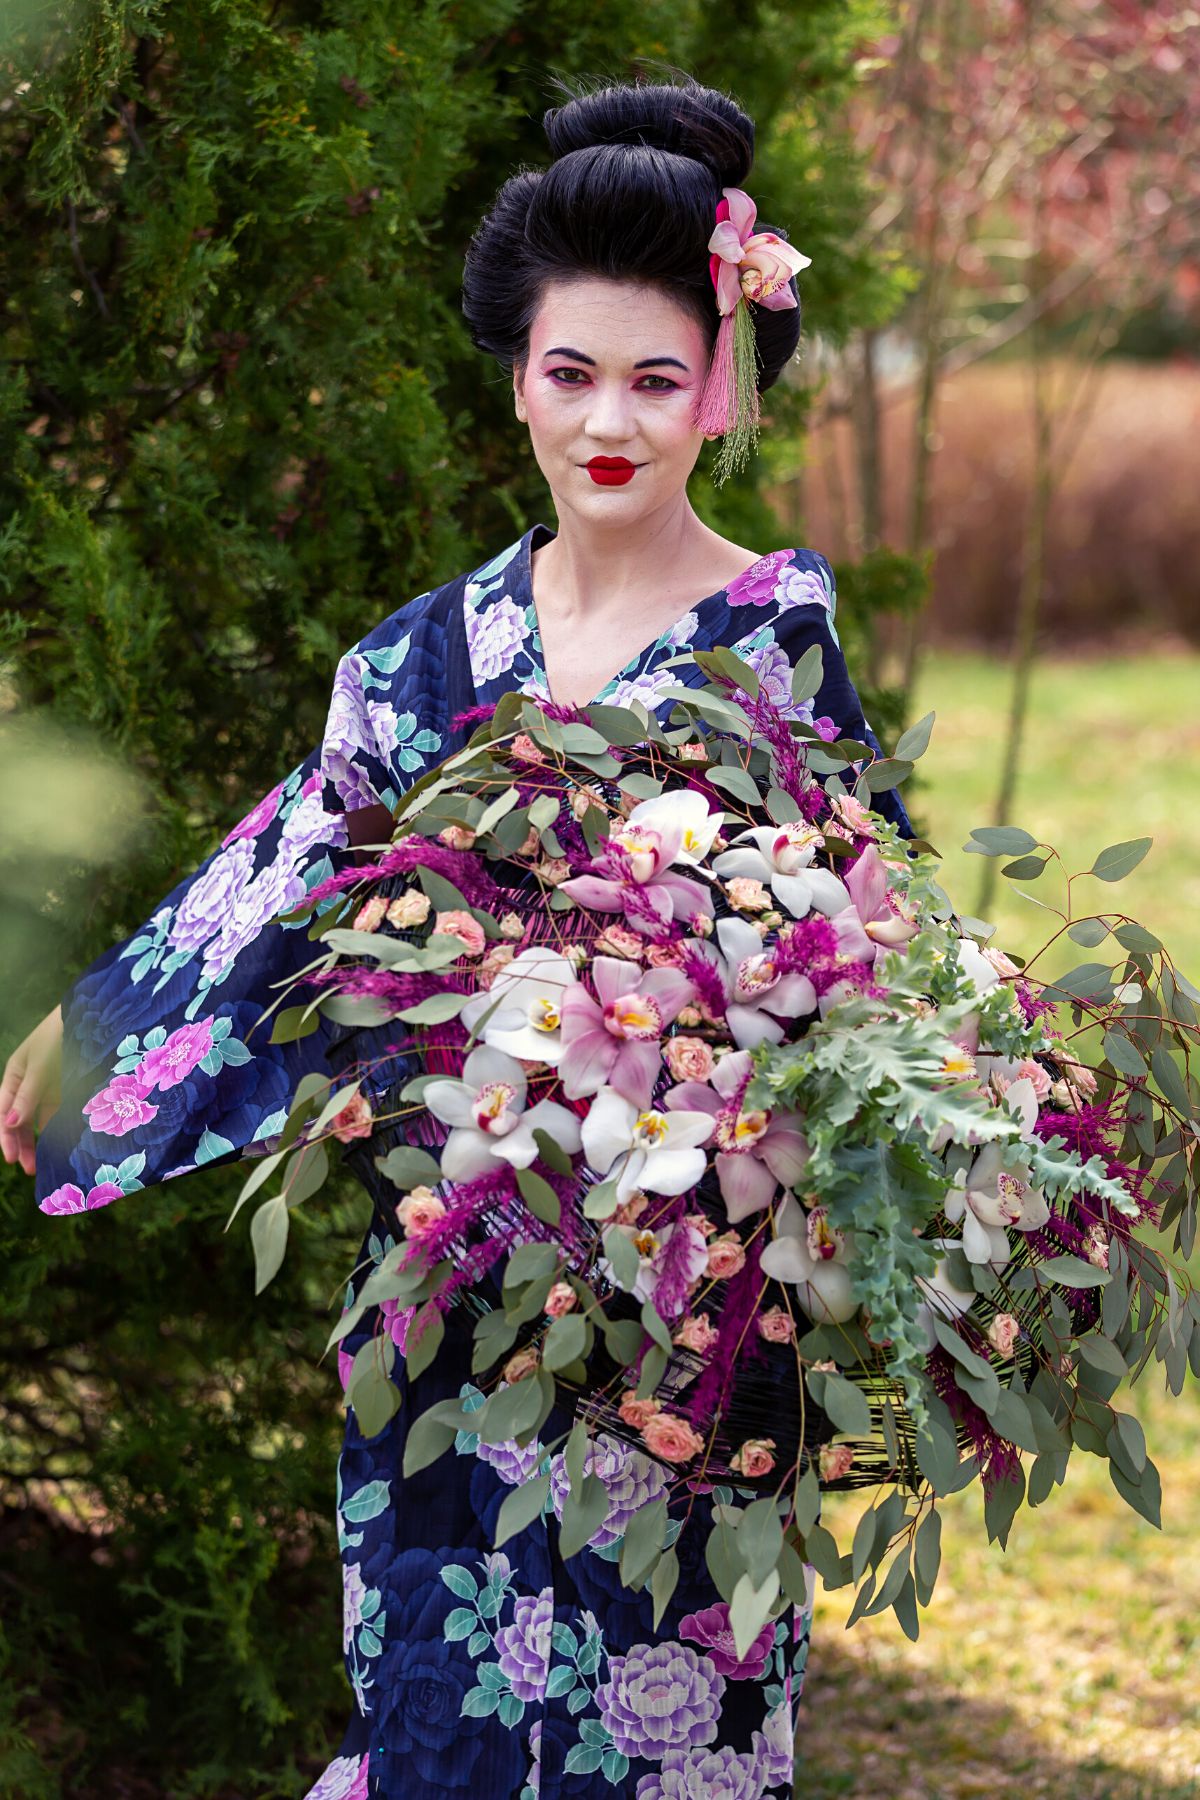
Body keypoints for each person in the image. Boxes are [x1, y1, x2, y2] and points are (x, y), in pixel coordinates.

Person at [3, 76, 909, 1799]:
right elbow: (289, 864)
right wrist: (105, 1015)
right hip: (442, 1283)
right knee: (440, 1706)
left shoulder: (767, 644)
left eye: (657, 379)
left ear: (722, 390)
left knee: (665, 1730)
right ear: (516, 378)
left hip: (680, 1308)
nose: (609, 424)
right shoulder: (428, 654)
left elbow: (866, 958)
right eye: (570, 375)